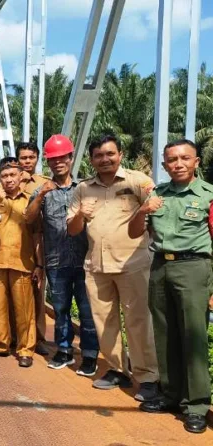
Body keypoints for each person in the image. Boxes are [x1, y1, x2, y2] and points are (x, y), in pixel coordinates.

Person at [128, 139, 213, 434]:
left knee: (194, 336)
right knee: (164, 334)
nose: (178, 164)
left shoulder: (208, 196)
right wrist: (143, 209)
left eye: (184, 158)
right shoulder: (156, 195)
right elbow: (134, 232)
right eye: (171, 160)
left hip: (194, 267)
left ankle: (197, 405)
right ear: (164, 165)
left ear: (196, 162)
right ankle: (172, 394)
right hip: (161, 265)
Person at [66, 135, 159, 402]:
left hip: (133, 264)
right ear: (91, 159)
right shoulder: (83, 188)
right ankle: (118, 369)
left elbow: (157, 212)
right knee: (104, 322)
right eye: (98, 155)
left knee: (139, 322)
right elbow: (72, 230)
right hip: (96, 265)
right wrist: (81, 214)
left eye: (110, 154)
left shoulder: (137, 181)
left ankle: (148, 377)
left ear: (120, 154)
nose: (105, 159)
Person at [25, 135, 99, 376]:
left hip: (85, 260)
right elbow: (29, 218)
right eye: (52, 159)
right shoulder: (43, 190)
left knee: (87, 312)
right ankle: (64, 351)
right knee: (61, 310)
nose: (58, 163)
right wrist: (40, 195)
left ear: (70, 158)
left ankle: (89, 355)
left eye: (62, 158)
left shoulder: (85, 188)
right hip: (56, 261)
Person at [0, 157, 39, 368]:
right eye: (4, 176)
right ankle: (1, 344)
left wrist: (39, 263)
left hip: (22, 261)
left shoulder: (30, 200)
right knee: (0, 308)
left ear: (21, 176)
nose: (9, 180)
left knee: (24, 309)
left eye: (13, 175)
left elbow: (37, 231)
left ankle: (25, 349)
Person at [17, 141, 50, 356]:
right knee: (14, 294)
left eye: (31, 157)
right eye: (23, 158)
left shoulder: (45, 183)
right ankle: (14, 336)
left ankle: (38, 338)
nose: (27, 161)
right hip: (15, 245)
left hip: (37, 244)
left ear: (37, 158)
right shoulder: (9, 181)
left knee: (37, 293)